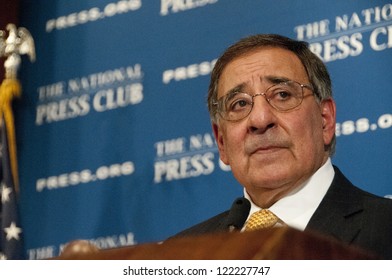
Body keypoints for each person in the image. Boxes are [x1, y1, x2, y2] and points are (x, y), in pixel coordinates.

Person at [173, 34, 392, 259]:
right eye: (239, 104)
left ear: (325, 120)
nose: (260, 119)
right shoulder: (178, 254)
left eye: (282, 95)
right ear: (222, 142)